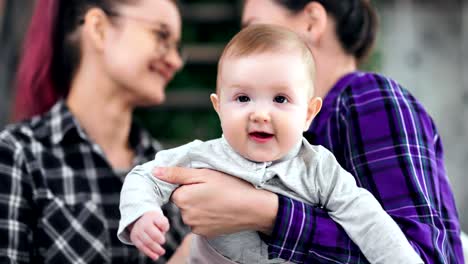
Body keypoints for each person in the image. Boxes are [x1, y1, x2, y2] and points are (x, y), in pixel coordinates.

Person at [149, 0, 464, 263]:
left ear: (312, 22)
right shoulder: (293, 141)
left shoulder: (367, 99)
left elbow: (427, 257)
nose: (242, 42)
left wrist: (267, 214)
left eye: (254, 27)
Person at [0, 0, 192, 263]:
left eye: (176, 47)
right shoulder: (17, 154)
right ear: (98, 28)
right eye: (161, 35)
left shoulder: (166, 168)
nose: (175, 60)